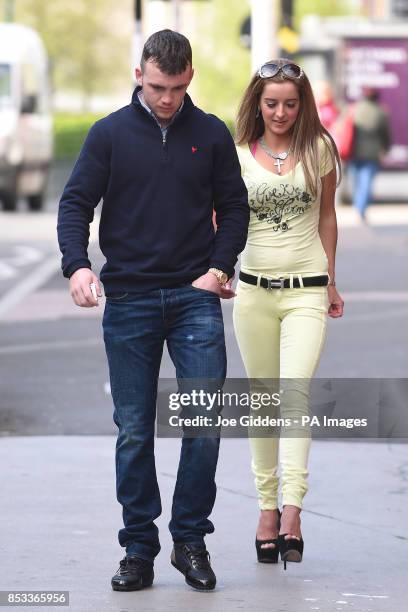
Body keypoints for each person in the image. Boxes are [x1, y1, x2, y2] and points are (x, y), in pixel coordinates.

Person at [57, 29, 249, 592]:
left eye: (177, 86)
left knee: (203, 424)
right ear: (140, 73)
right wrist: (78, 265)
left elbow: (233, 208)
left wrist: (219, 267)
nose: (167, 98)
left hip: (196, 297)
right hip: (131, 299)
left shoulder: (210, 134)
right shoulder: (110, 134)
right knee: (135, 430)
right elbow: (76, 202)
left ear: (190, 76)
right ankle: (138, 549)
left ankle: (189, 541)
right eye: (158, 85)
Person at [233, 59, 344, 569]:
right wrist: (217, 270)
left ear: (303, 107)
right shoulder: (235, 156)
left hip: (307, 290)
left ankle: (293, 512)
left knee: (294, 395)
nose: (280, 112)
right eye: (271, 102)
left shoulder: (319, 149)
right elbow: (221, 219)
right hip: (253, 292)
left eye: (290, 104)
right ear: (257, 102)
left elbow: (326, 215)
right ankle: (265, 509)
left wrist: (332, 281)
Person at [348, 87, 391, 221]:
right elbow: (386, 134)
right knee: (366, 183)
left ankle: (358, 205)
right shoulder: (381, 112)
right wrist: (386, 149)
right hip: (372, 153)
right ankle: (361, 208)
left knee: (355, 182)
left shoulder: (354, 109)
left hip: (353, 151)